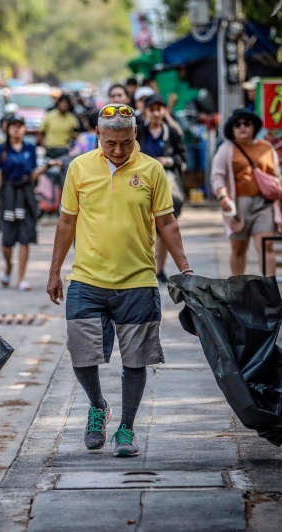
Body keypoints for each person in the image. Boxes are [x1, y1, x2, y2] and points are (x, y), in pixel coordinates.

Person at [47, 103, 193, 457]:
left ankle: (126, 429)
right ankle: (98, 406)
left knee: (135, 359)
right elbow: (67, 222)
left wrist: (185, 269)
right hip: (87, 278)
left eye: (125, 143)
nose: (117, 150)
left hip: (138, 281)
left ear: (134, 136)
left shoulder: (152, 170)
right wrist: (54, 270)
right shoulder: (79, 168)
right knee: (81, 354)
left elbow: (167, 222)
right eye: (110, 142)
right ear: (98, 135)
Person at [210, 108, 282, 277]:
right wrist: (222, 196)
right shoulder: (226, 149)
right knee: (238, 248)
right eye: (237, 125)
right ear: (232, 129)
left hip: (264, 205)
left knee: (267, 246)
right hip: (237, 206)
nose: (242, 127)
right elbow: (217, 176)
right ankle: (238, 289)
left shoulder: (267, 148)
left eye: (246, 124)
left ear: (254, 127)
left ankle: (269, 289)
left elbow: (277, 176)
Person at [0, 116, 60, 291]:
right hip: (7, 194)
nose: (16, 129)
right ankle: (8, 267)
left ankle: (21, 278)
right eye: (13, 126)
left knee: (25, 237)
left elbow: (32, 176)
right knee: (7, 240)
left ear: (24, 128)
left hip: (25, 195)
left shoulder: (30, 148)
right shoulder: (1, 149)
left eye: (20, 126)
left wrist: (46, 167)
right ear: (7, 129)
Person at [136, 94, 187, 283]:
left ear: (164, 110)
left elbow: (182, 157)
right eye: (152, 109)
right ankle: (145, 267)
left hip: (166, 183)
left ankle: (160, 268)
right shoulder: (139, 132)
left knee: (165, 225)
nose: (156, 113)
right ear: (146, 111)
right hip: (141, 183)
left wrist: (169, 160)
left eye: (159, 109)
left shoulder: (172, 133)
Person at [39, 94, 80, 158]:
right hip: (50, 149)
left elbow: (76, 135)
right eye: (62, 103)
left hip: (64, 149)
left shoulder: (72, 119)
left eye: (66, 104)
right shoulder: (49, 116)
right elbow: (41, 131)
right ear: (58, 104)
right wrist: (43, 144)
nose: (64, 105)